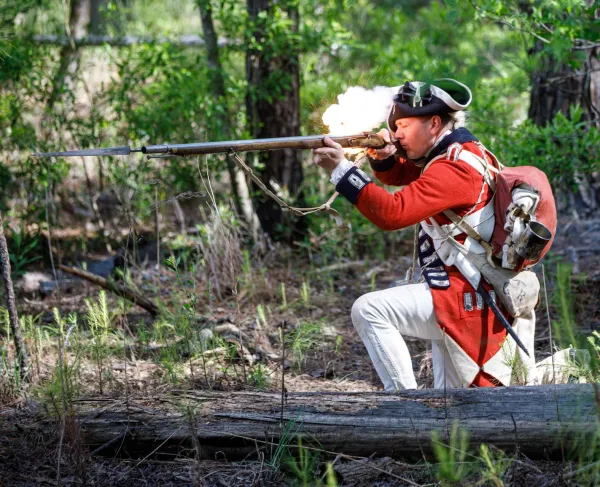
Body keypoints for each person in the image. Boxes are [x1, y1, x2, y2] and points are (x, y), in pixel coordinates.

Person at [313, 79, 536, 391]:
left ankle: (406, 408)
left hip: (466, 296)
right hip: (464, 291)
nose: (397, 133)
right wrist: (384, 156)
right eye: (395, 126)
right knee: (453, 407)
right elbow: (405, 173)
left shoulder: (454, 167)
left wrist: (340, 171)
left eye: (403, 125)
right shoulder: (454, 155)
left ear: (433, 123)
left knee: (368, 309)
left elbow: (393, 213)